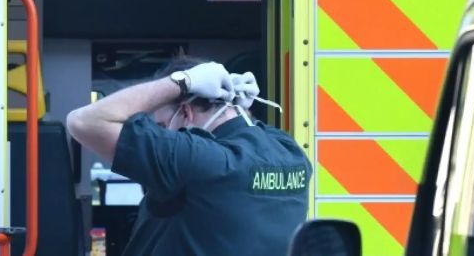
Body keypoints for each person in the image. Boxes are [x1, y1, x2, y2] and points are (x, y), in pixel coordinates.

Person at [66, 57, 312, 256]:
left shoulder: (197, 160)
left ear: (185, 111)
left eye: (162, 126)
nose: (164, 133)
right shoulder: (291, 153)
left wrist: (179, 82)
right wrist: (238, 105)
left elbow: (83, 121)